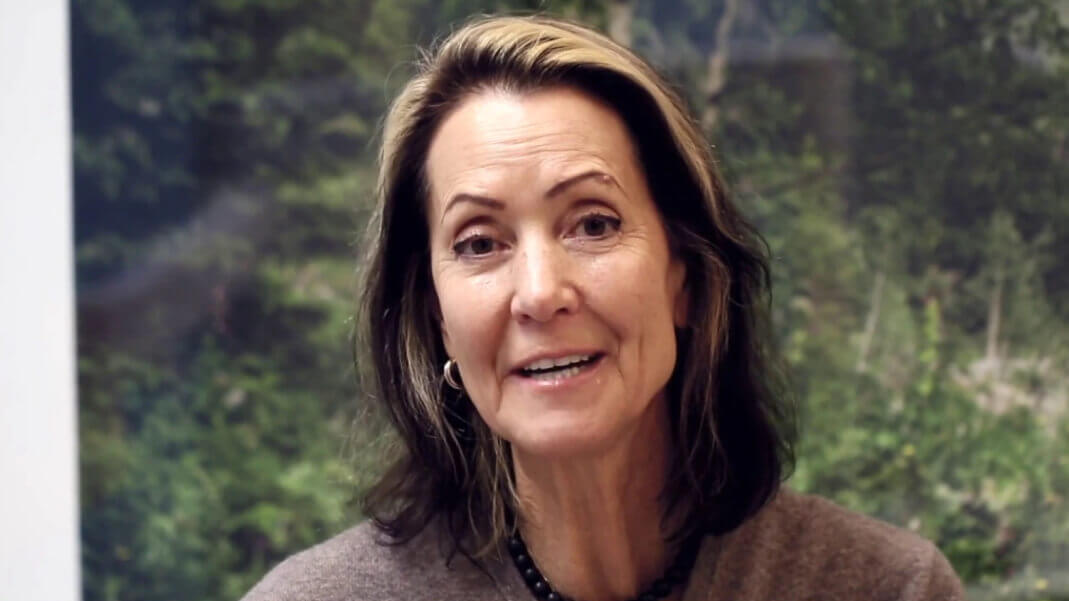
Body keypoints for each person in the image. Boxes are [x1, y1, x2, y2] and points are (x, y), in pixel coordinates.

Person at [242, 14, 965, 601]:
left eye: (593, 224)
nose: (539, 293)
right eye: (479, 242)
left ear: (686, 276)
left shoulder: (885, 587)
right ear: (436, 318)